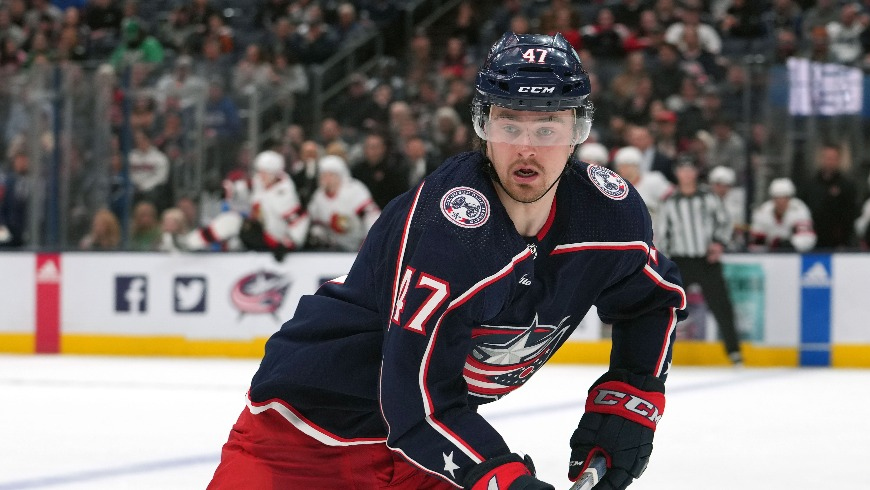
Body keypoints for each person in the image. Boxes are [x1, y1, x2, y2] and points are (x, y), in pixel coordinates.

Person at [208, 32, 686, 490]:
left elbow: (652, 297)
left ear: (577, 130)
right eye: (509, 123)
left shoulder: (608, 216)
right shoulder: (451, 228)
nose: (526, 146)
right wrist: (502, 478)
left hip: (428, 460)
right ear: (483, 125)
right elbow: (414, 403)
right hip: (302, 439)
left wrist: (630, 398)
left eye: (547, 126)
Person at [657, 157, 742, 365]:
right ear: (677, 173)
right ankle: (659, 353)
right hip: (679, 262)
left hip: (707, 261)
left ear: (695, 172)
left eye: (690, 169)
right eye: (682, 170)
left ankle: (734, 352)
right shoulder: (669, 201)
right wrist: (666, 262)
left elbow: (724, 222)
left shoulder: (709, 197)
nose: (686, 174)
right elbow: (663, 233)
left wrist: (719, 243)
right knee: (667, 308)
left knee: (721, 306)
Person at [185, 150, 310, 261]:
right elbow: (243, 189)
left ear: (274, 173)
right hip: (261, 232)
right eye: (259, 172)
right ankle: (190, 243)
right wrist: (225, 189)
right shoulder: (262, 182)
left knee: (232, 221)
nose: (260, 176)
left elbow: (300, 220)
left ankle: (190, 243)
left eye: (264, 173)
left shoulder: (284, 194)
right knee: (233, 238)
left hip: (274, 241)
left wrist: (288, 244)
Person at [305, 155, 381, 252]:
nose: (326, 179)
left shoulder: (354, 190)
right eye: (323, 175)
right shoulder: (318, 197)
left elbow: (371, 217)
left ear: (340, 175)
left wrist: (369, 241)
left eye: (331, 175)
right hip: (335, 249)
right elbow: (316, 223)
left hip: (360, 246)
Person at [748, 178, 816, 252]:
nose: (781, 202)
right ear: (772, 199)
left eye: (785, 198)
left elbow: (808, 239)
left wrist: (788, 244)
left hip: (795, 255)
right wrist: (770, 246)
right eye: (777, 198)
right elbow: (756, 244)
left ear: (790, 198)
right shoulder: (763, 212)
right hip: (770, 256)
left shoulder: (799, 210)